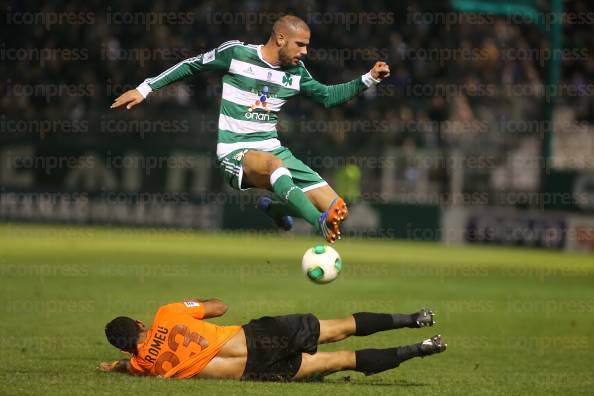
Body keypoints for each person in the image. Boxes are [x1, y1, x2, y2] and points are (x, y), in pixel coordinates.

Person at [110, 15, 390, 243]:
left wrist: (368, 79)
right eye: (300, 44)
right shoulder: (236, 53)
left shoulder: (297, 73)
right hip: (236, 151)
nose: (305, 51)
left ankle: (276, 208)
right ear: (281, 38)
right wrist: (145, 88)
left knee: (336, 209)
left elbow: (328, 97)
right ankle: (315, 222)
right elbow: (192, 65)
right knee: (277, 168)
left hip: (272, 149)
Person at [99, 297, 447, 381]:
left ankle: (421, 348)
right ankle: (412, 319)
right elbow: (219, 307)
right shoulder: (167, 313)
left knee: (343, 361)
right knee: (340, 328)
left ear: (124, 346)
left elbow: (123, 366)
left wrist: (115, 365)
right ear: (140, 321)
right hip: (257, 338)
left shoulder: (142, 366)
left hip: (256, 372)